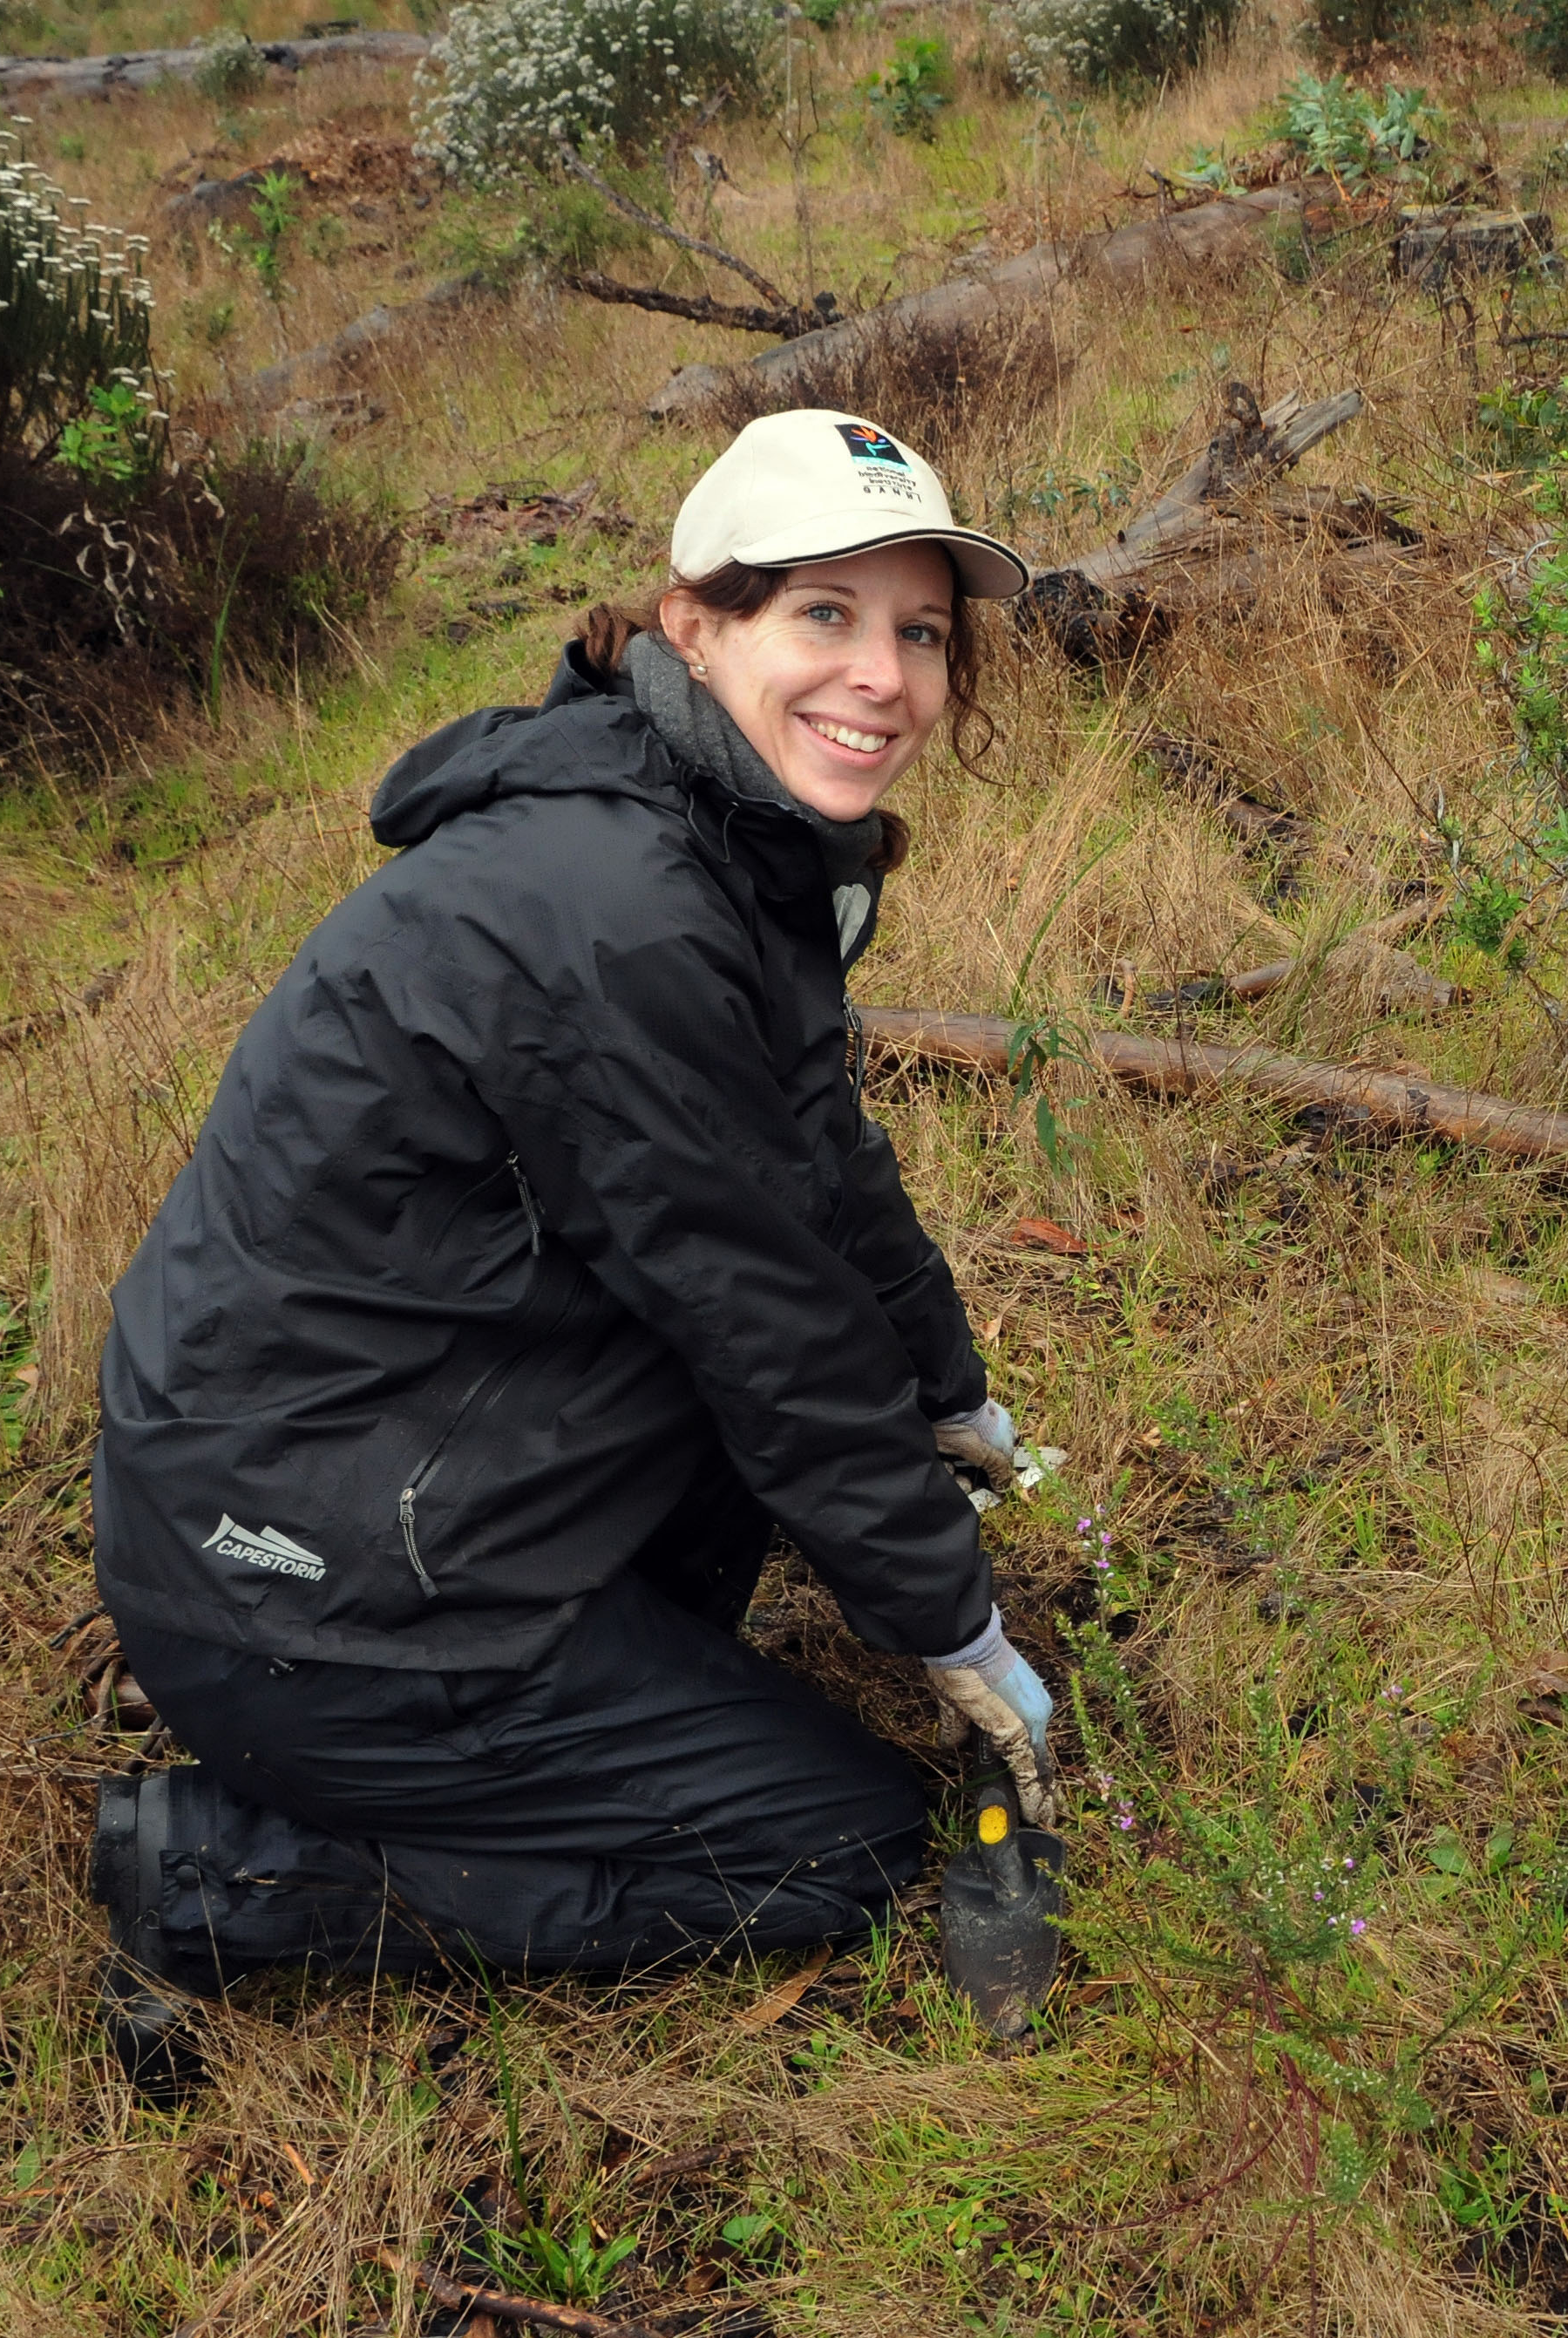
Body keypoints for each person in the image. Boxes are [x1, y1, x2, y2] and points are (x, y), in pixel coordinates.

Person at [82, 410, 1060, 2097]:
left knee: (760, 1407)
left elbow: (819, 1162)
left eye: (919, 631)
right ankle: (225, 1867)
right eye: (822, 616)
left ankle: (588, 1688)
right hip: (292, 1592)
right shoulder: (620, 907)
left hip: (345, 1460)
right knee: (840, 1843)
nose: (883, 678)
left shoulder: (721, 836)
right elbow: (763, 1321)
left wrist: (946, 1397)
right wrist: (954, 1631)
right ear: (696, 623)